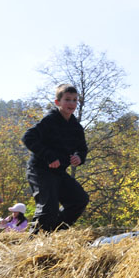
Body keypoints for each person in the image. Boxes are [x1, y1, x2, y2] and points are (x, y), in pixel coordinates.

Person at [22, 84, 89, 233]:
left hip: (59, 172)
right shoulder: (50, 120)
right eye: (67, 100)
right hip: (39, 170)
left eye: (74, 100)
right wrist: (49, 157)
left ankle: (54, 232)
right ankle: (35, 241)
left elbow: (82, 149)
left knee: (79, 199)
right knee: (48, 207)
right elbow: (28, 137)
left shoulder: (76, 128)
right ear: (58, 102)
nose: (71, 103)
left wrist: (79, 157)